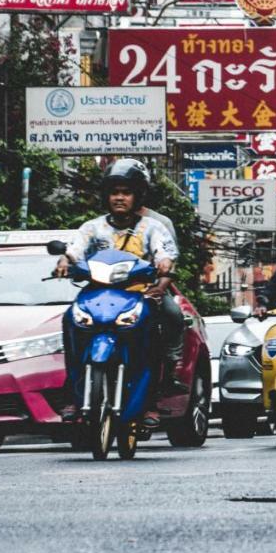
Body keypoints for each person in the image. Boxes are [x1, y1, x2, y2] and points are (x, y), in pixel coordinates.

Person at [55, 160, 185, 427]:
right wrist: (65, 261)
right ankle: (72, 396)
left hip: (141, 295)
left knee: (169, 317)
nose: (119, 197)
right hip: (97, 295)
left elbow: (165, 252)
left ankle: (155, 395)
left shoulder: (153, 227)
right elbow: (75, 248)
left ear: (137, 196)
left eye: (126, 192)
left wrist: (163, 267)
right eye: (114, 192)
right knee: (70, 320)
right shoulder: (92, 227)